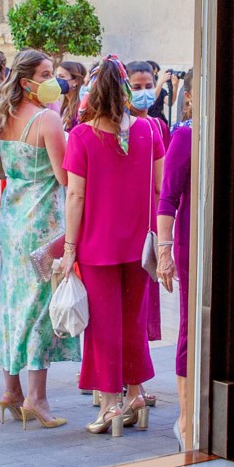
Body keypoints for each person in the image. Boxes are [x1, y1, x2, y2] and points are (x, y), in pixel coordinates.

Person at [56, 56, 165, 436]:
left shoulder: (82, 136)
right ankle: (135, 394)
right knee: (134, 321)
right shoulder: (149, 129)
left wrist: (69, 248)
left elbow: (75, 196)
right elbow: (159, 188)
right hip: (140, 244)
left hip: (97, 244)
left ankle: (110, 404)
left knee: (102, 326)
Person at [0, 49, 75, 430]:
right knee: (40, 306)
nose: (52, 80)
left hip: (12, 218)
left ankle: (11, 390)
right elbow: (65, 176)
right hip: (43, 221)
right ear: (26, 82)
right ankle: (37, 398)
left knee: (12, 301)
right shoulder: (47, 119)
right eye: (45, 73)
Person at [153, 80, 193, 448]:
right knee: (191, 326)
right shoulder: (186, 136)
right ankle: (186, 418)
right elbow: (168, 199)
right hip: (192, 245)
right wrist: (164, 252)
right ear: (191, 96)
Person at [57, 60, 87, 131]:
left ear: (75, 81)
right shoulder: (67, 106)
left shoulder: (80, 109)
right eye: (57, 76)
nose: (57, 80)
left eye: (61, 76)